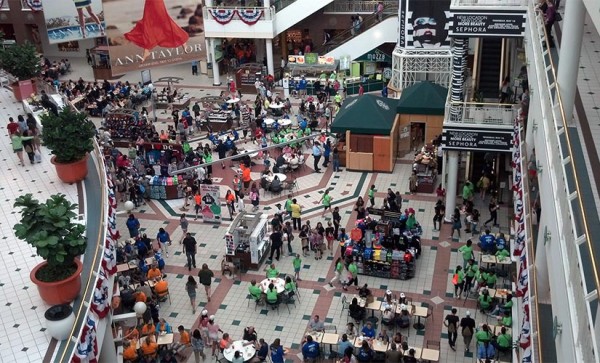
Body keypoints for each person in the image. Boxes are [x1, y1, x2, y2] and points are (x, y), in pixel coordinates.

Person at [124, 0, 190, 62]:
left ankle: (182, 39)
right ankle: (146, 50)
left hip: (156, 2)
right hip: (149, 2)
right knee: (148, 22)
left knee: (164, 21)